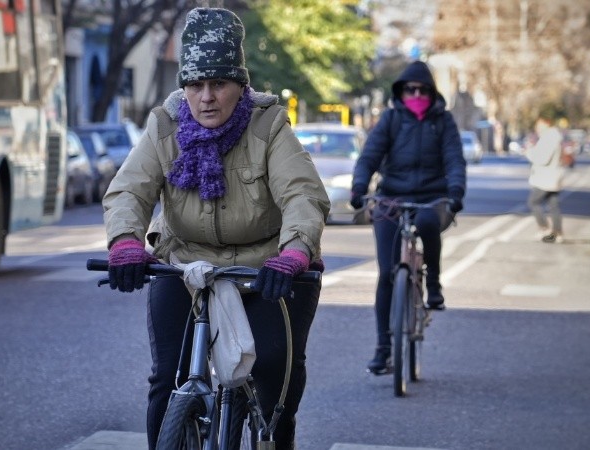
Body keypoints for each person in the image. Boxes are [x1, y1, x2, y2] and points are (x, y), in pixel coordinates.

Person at [101, 8, 330, 449]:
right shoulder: (164, 126)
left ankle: (277, 437)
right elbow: (128, 191)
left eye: (219, 84)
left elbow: (303, 196)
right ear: (183, 87)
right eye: (195, 84)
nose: (206, 97)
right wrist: (126, 243)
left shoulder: (269, 126)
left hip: (268, 269)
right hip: (186, 264)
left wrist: (295, 253)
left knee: (274, 372)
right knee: (164, 378)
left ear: (240, 86)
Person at [349, 60, 466, 374]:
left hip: (432, 196)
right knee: (387, 271)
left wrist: (456, 192)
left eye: (422, 90)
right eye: (410, 89)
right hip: (392, 196)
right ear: (401, 91)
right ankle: (383, 348)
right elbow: (370, 155)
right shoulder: (391, 119)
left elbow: (454, 159)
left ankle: (435, 283)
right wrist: (359, 186)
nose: (416, 94)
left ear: (431, 92)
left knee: (428, 223)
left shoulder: (443, 122)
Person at [526, 115, 565, 243]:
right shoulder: (552, 137)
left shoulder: (549, 137)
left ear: (546, 123)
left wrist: (529, 152)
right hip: (552, 177)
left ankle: (544, 228)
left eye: (539, 125)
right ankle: (557, 233)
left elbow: (542, 158)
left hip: (546, 178)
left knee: (533, 202)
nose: (537, 128)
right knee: (553, 205)